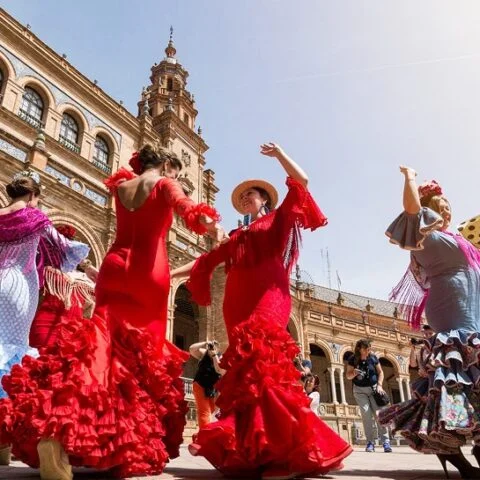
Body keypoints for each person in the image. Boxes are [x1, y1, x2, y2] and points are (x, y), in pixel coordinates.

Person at [0, 145, 226, 480]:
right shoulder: (165, 183)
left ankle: (58, 430)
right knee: (140, 358)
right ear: (166, 164)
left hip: (113, 267)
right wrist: (212, 226)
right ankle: (119, 438)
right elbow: (187, 208)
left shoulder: (121, 186)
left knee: (99, 348)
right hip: (148, 273)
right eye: (174, 171)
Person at [172, 142, 352, 480]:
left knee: (265, 364)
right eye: (242, 197)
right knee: (247, 376)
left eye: (250, 194)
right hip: (236, 305)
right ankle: (259, 449)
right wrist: (169, 274)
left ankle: (286, 451)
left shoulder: (277, 219)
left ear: (264, 199)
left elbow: (302, 182)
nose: (245, 199)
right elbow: (205, 262)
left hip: (269, 297)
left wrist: (280, 154)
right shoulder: (236, 235)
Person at [378, 167, 480, 479]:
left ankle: (468, 445)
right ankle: (450, 446)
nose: (447, 210)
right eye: (440, 206)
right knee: (455, 377)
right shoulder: (425, 236)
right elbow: (411, 210)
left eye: (448, 206)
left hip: (472, 313)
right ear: (428, 211)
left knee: (471, 378)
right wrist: (410, 178)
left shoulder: (458, 238)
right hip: (451, 311)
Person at [0, 170, 89, 465]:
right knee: (12, 352)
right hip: (19, 287)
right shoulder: (35, 216)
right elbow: (64, 247)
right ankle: (5, 433)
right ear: (33, 196)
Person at [29, 226, 98, 348]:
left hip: (72, 335)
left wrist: (86, 265)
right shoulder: (47, 270)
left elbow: (89, 312)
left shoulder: (85, 279)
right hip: (44, 327)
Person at [346, 339, 392, 453]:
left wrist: (380, 385)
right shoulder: (353, 359)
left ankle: (386, 442)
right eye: (366, 349)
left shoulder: (373, 357)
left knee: (378, 414)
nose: (368, 350)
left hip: (374, 390)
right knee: (366, 415)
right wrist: (354, 373)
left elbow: (380, 372)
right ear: (359, 349)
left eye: (369, 348)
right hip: (359, 391)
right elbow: (348, 376)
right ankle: (370, 442)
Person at [189, 340, 225, 429]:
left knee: (213, 413)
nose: (212, 348)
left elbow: (219, 370)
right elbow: (192, 349)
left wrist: (214, 355)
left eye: (214, 347)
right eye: (211, 346)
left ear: (217, 349)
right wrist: (205, 343)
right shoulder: (204, 353)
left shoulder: (220, 357)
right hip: (200, 385)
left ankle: (210, 432)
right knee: (204, 412)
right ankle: (204, 433)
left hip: (212, 389)